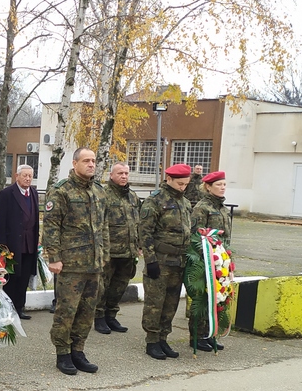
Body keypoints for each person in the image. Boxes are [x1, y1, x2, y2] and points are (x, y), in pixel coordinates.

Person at [43, 147, 109, 375]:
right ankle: (63, 353)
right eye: (86, 161)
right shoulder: (61, 191)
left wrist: (105, 255)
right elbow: (51, 226)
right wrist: (54, 258)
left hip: (94, 264)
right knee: (66, 310)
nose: (91, 164)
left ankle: (78, 350)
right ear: (74, 163)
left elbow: (104, 227)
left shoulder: (100, 192)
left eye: (93, 161)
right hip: (70, 264)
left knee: (87, 311)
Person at [139, 163, 192, 360]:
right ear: (168, 179)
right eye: (180, 183)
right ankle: (152, 340)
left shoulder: (185, 203)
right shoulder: (155, 201)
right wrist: (150, 260)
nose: (183, 187)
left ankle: (163, 338)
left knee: (171, 303)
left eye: (186, 184)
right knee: (155, 302)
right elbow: (145, 232)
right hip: (160, 261)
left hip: (179, 262)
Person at [94, 163, 140, 335]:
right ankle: (98, 317)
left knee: (119, 286)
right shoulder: (103, 195)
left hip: (128, 251)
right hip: (110, 251)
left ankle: (111, 315)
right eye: (120, 173)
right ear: (111, 175)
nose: (124, 176)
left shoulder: (133, 197)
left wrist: (139, 245)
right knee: (102, 286)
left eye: (126, 173)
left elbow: (138, 223)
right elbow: (98, 223)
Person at [188, 170, 231, 352]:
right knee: (203, 298)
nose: (222, 188)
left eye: (224, 185)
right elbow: (197, 235)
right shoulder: (202, 207)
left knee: (217, 298)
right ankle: (197, 336)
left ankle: (211, 334)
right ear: (208, 187)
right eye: (218, 185)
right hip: (205, 260)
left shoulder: (222, 208)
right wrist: (205, 258)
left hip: (221, 260)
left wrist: (226, 257)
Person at [0, 164, 39, 320]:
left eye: (30, 176)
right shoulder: (7, 194)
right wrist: (2, 247)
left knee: (24, 277)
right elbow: (0, 221)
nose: (27, 178)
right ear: (17, 176)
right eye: (24, 175)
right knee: (12, 278)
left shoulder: (33, 192)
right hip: (12, 244)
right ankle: (8, 309)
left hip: (29, 243)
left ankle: (20, 307)